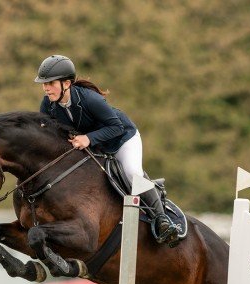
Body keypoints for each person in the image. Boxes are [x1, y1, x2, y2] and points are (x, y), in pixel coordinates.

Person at [34, 54, 178, 244]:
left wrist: (88, 138)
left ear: (66, 84)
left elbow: (116, 127)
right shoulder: (48, 105)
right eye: (44, 84)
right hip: (96, 147)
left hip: (122, 139)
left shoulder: (90, 99)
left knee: (132, 173)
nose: (46, 88)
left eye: (50, 83)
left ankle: (162, 219)